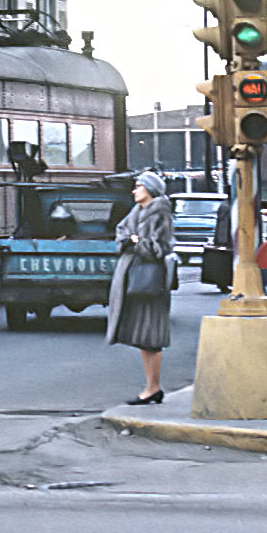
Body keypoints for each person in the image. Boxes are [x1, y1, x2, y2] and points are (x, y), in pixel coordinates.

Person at [107, 170, 175, 404]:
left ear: (150, 190)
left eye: (139, 186)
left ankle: (153, 388)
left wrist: (136, 242)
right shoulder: (137, 211)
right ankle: (151, 387)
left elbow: (159, 248)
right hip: (136, 277)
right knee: (144, 338)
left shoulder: (160, 212)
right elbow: (121, 233)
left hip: (150, 280)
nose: (134, 191)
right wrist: (131, 240)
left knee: (151, 337)